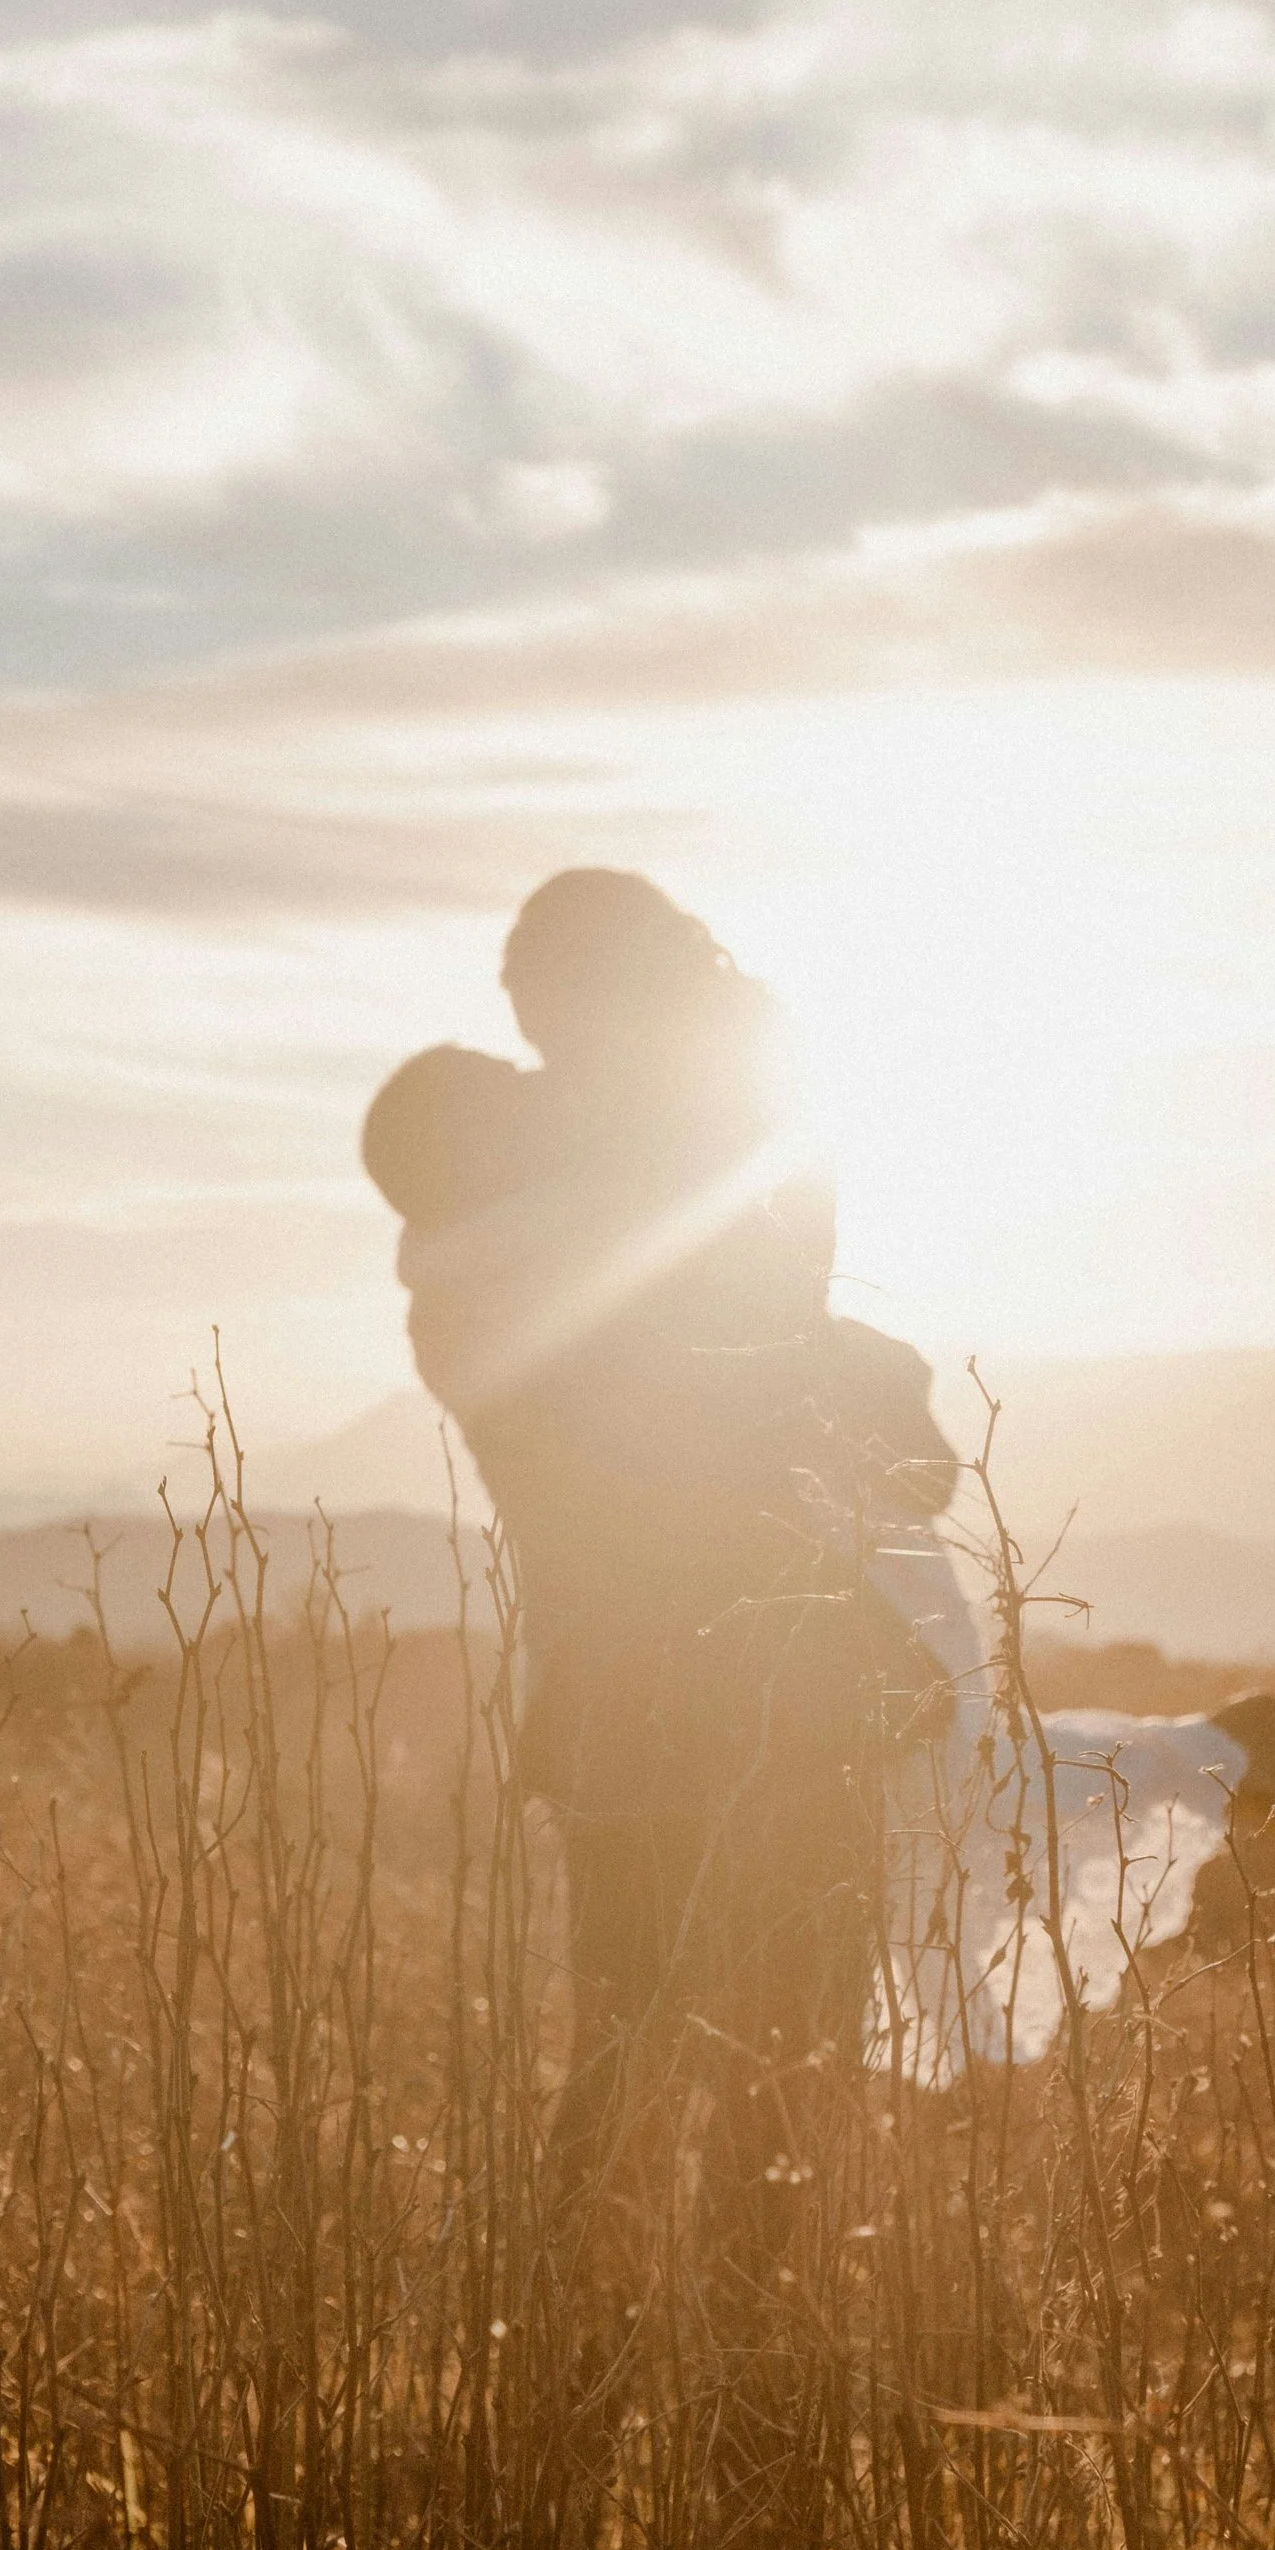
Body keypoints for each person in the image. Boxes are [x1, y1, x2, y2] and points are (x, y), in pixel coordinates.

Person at [363, 872, 954, 2197]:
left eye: (555, 1030)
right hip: (768, 1681)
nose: (539, 1069)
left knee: (677, 2060)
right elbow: (771, 1352)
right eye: (530, 1041)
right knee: (752, 2069)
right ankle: (678, 2386)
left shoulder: (538, 1236)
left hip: (646, 1692)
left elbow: (768, 1341)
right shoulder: (634, 1192)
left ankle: (597, 2379)